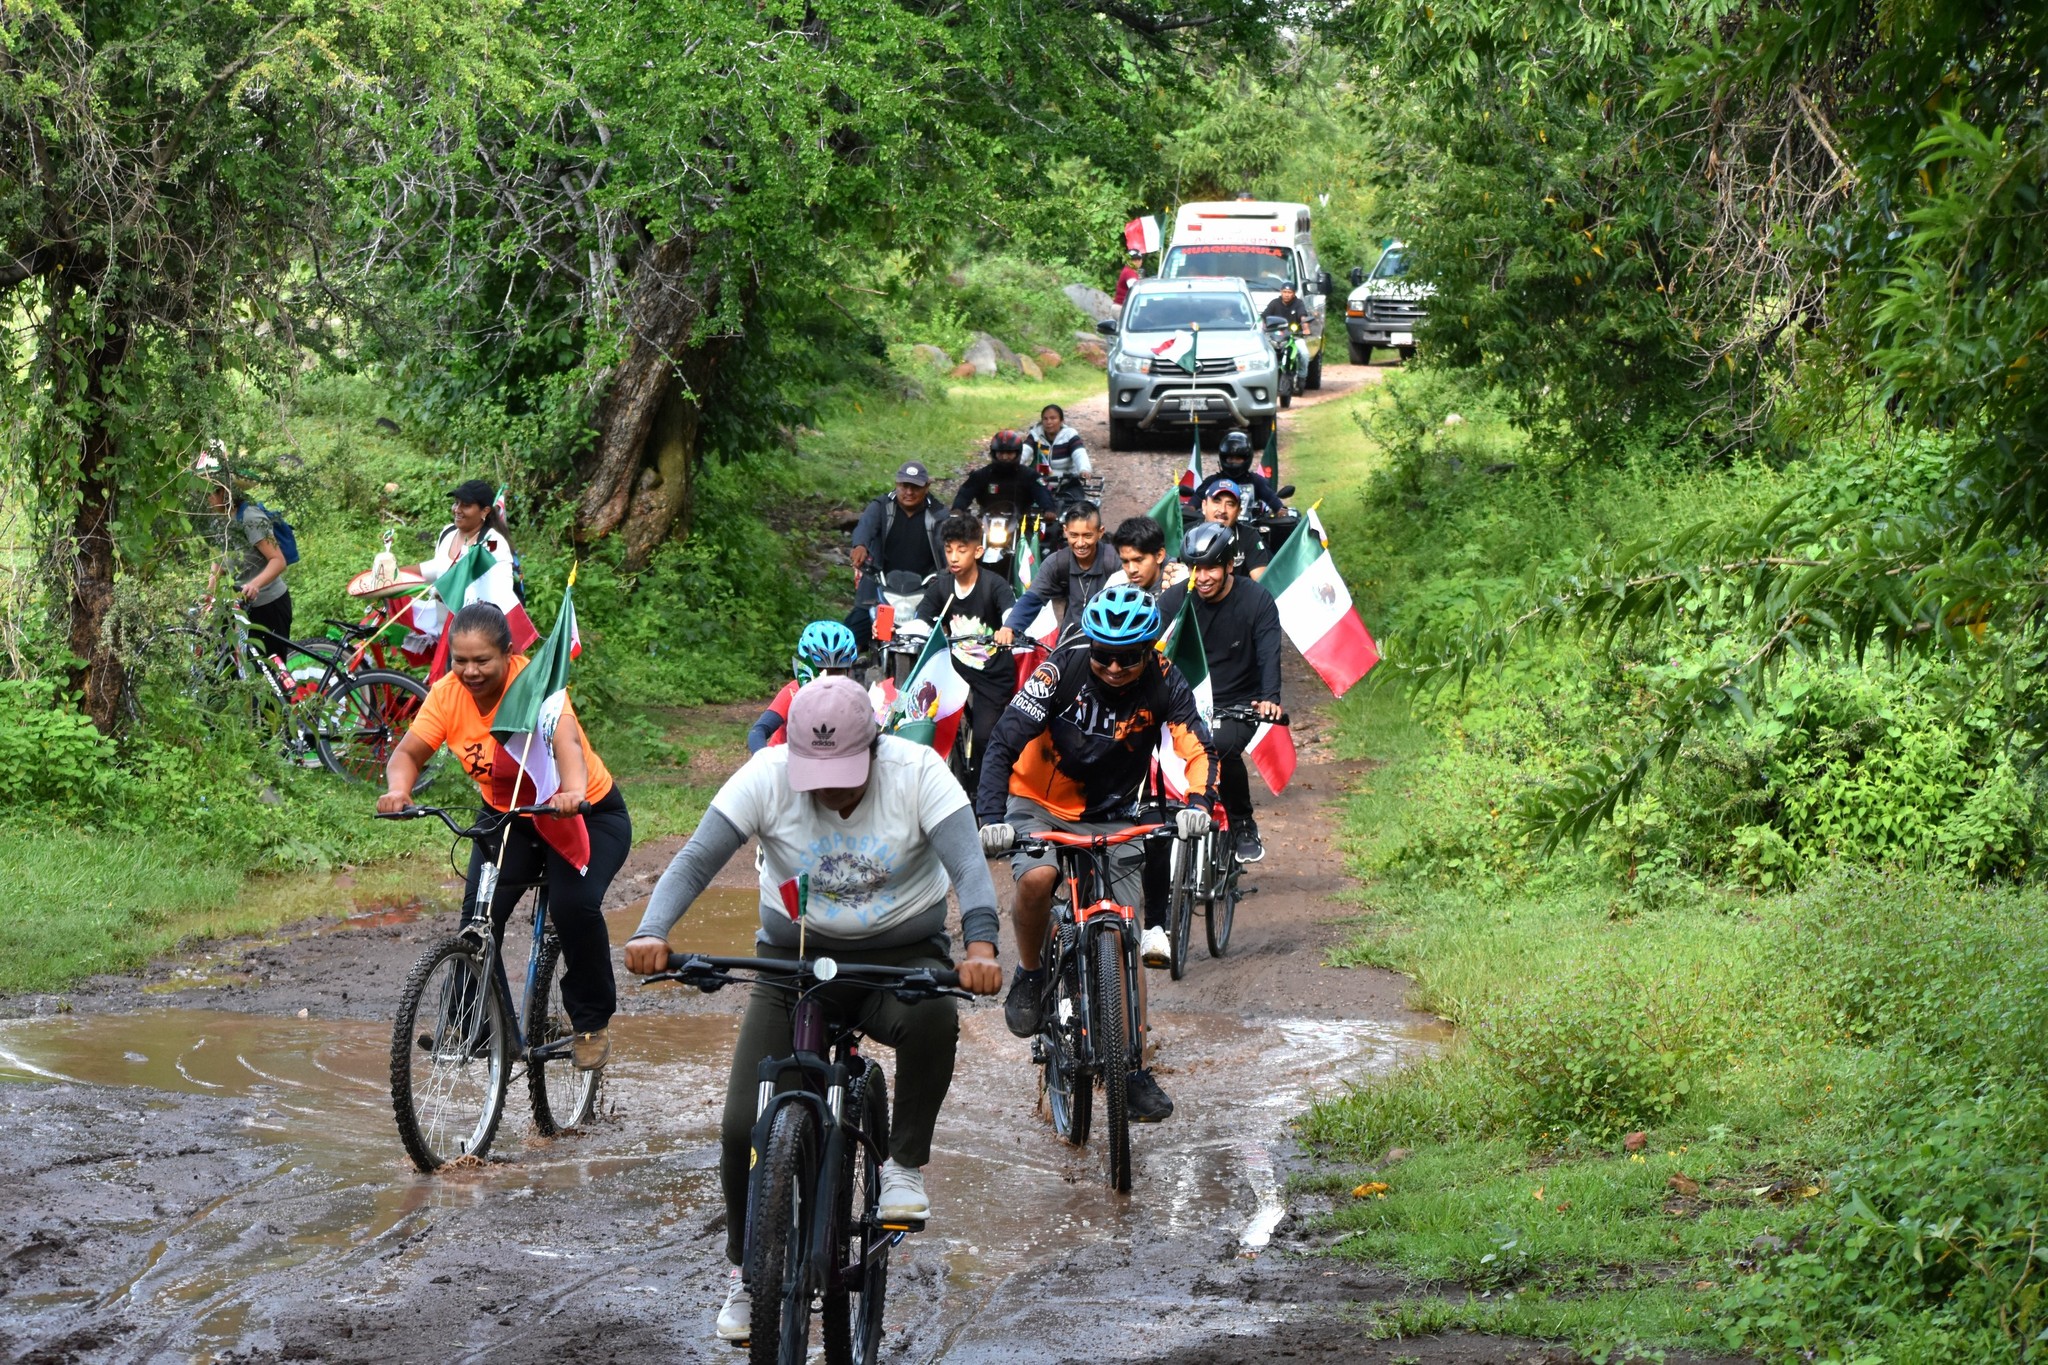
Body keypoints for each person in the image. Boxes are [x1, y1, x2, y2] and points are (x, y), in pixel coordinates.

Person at [621, 678, 1003, 1343]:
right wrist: (652, 931)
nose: (828, 788)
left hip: (901, 955)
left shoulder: (919, 772)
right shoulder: (766, 776)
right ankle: (745, 1274)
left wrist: (980, 944)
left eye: (845, 774)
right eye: (816, 773)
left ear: (875, 747)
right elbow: (694, 860)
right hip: (794, 959)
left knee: (937, 1013)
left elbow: (969, 866)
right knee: (744, 1120)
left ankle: (906, 1165)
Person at [975, 586, 1216, 1123]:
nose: (1112, 666)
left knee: (1126, 937)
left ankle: (1130, 1068)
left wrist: (1199, 803)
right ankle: (1033, 974)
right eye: (1104, 654)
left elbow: (1196, 745)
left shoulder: (1165, 680)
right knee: (1037, 880)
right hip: (1038, 801)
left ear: (1148, 650)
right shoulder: (1061, 670)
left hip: (1112, 812)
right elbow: (1002, 742)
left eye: (1127, 657)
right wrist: (991, 819)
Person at [378, 602, 632, 1067]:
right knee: (480, 915)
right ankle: (476, 1026)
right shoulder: (447, 694)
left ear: (509, 654)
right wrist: (398, 790)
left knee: (573, 906)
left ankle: (591, 1023)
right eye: (460, 660)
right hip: (508, 815)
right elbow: (408, 754)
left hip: (582, 813)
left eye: (482, 661)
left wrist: (572, 792)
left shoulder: (538, 687)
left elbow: (566, 741)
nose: (470, 671)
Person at [1155, 524, 1284, 864]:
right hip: (1183, 704)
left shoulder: (1256, 600)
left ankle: (1242, 822)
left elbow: (1270, 652)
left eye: (1212, 567)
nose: (1204, 577)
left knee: (1219, 747)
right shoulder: (1175, 599)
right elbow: (1149, 651)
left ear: (1230, 565)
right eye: (1196, 568)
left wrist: (1270, 697)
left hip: (1237, 704)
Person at [916, 514, 1018, 793]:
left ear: (978, 551)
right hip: (955, 669)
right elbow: (922, 618)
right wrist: (908, 630)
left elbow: (1011, 611)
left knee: (986, 736)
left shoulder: (994, 584)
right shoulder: (942, 586)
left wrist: (1008, 628)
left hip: (992, 673)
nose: (954, 557)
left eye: (962, 549)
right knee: (927, 723)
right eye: (949, 550)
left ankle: (983, 792)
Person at [847, 461, 946, 653]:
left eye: (915, 487)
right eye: (904, 486)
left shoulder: (938, 513)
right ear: (897, 484)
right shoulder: (881, 506)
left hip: (922, 590)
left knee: (943, 635)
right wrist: (860, 545)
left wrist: (949, 568)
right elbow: (865, 527)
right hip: (880, 585)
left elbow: (947, 541)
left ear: (926, 487)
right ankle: (844, 674)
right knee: (854, 632)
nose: (909, 492)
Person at [998, 502, 1111, 643]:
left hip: (1111, 640)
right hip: (1071, 642)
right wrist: (1009, 627)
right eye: (1074, 535)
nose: (1080, 543)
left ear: (1100, 532)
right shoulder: (1057, 563)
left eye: (1087, 536)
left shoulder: (1115, 562)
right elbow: (1033, 598)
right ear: (1065, 531)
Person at [748, 621, 861, 752]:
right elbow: (759, 730)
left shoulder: (854, 698)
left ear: (849, 670)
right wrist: (765, 761)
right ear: (806, 667)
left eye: (836, 671)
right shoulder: (793, 692)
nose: (828, 678)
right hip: (785, 762)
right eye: (819, 670)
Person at [206, 479, 292, 650]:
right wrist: (209, 591)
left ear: (224, 493)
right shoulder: (220, 521)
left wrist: (254, 584)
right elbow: (221, 560)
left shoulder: (251, 518)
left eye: (210, 493)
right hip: (239, 606)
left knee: (268, 671)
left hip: (268, 605)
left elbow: (278, 561)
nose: (207, 498)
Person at [1192, 430, 1285, 515]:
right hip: (1217, 527)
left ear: (1247, 458)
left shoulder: (1257, 481)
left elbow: (1275, 502)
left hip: (1250, 529)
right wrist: (1189, 510)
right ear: (1223, 458)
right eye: (1230, 458)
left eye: (1238, 458)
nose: (1234, 462)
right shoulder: (1212, 482)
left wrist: (1282, 513)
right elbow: (1193, 503)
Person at [1103, 515, 1190, 600]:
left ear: (1159, 556)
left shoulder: (1182, 582)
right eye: (1125, 561)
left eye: (1139, 560)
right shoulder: (1116, 583)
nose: (1132, 569)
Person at [1202, 481, 1271, 578]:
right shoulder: (1187, 533)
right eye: (1217, 502)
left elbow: (1262, 581)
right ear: (1204, 506)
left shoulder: (1249, 536)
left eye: (1230, 504)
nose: (1222, 510)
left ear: (1239, 511)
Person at [1025, 404, 1091, 499]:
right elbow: (1024, 450)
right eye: (1045, 419)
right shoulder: (1035, 435)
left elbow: (1079, 453)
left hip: (1067, 484)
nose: (1049, 422)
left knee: (1076, 509)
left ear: (1061, 421)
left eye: (1053, 418)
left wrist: (1084, 469)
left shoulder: (1070, 435)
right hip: (1040, 484)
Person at [1262, 283, 1313, 388]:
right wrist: (1262, 328)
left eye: (1289, 292)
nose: (1286, 295)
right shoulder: (1274, 303)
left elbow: (1303, 317)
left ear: (1294, 294)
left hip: (1294, 337)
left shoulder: (1298, 303)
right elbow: (1264, 317)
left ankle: (1302, 377)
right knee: (1263, 354)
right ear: (1281, 292)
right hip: (1275, 337)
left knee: (1304, 354)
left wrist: (1306, 328)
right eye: (1284, 292)